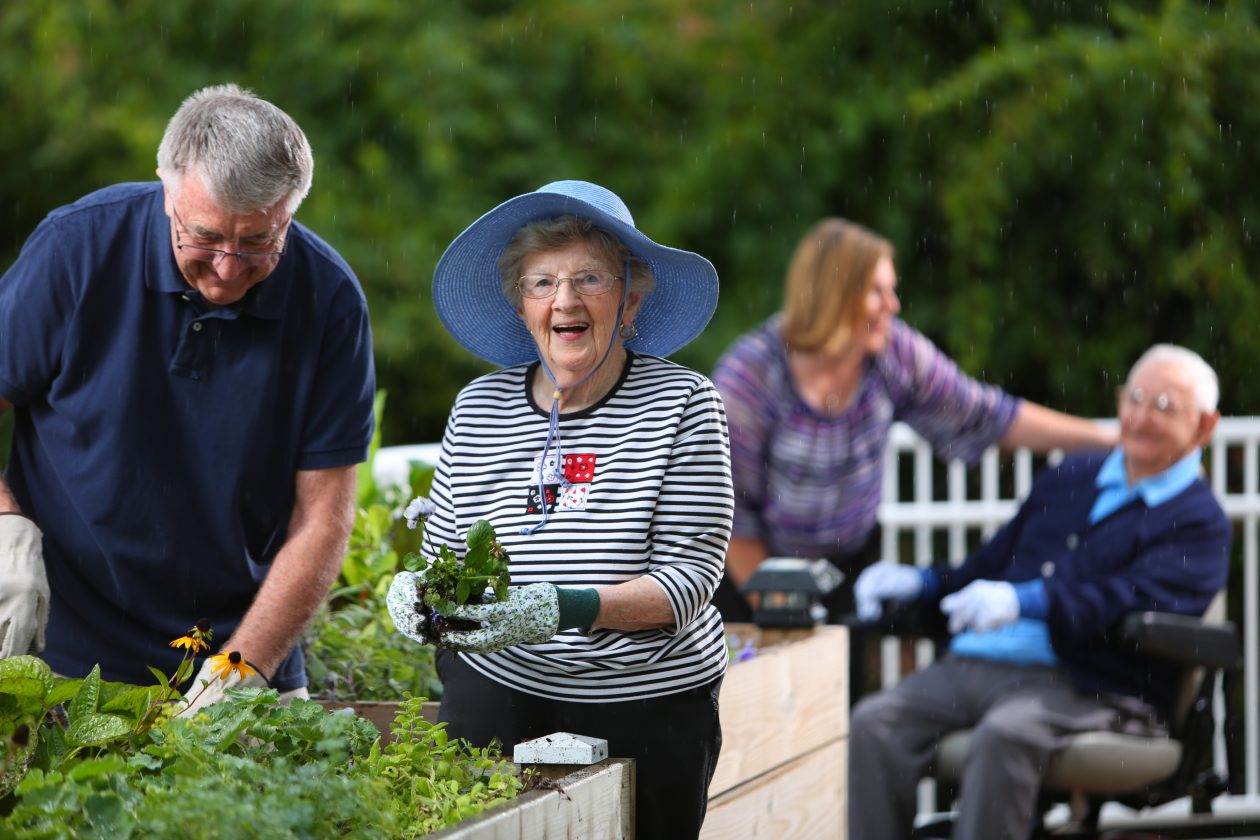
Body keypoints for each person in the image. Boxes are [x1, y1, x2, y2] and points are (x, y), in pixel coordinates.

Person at [0, 85, 375, 715]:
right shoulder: (77, 251)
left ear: (290, 211)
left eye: (259, 242)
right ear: (166, 190)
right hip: (58, 645)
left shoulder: (329, 301)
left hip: (236, 640)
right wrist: (7, 531)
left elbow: (322, 519)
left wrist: (244, 668)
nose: (228, 269)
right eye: (204, 238)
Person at [386, 180, 731, 839]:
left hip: (647, 709)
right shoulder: (479, 408)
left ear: (630, 297)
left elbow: (687, 582)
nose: (564, 301)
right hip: (496, 697)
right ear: (521, 306)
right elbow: (445, 562)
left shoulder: (683, 404)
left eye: (589, 279)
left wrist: (562, 608)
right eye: (541, 283)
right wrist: (417, 596)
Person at [847, 344, 1230, 839]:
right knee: (873, 724)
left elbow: (1131, 601)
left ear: (1204, 426)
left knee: (1005, 736)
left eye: (1164, 407)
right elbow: (988, 568)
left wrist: (1031, 601)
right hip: (979, 664)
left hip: (1090, 682)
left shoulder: (1200, 521)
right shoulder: (1072, 476)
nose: (1141, 417)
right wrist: (919, 582)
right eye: (1135, 398)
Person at [711, 218, 1118, 630]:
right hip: (749, 572)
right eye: (877, 291)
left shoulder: (893, 354)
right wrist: (780, 607)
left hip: (845, 567)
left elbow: (988, 415)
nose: (894, 305)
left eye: (892, 290)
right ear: (833, 297)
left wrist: (1107, 439)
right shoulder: (752, 376)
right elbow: (728, 514)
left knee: (839, 691)